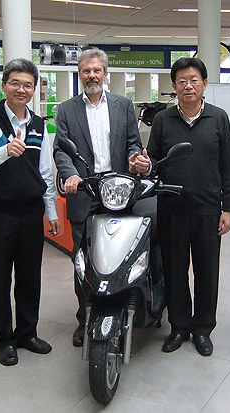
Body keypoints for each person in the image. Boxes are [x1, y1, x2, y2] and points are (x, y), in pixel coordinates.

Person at [139, 57, 230, 357]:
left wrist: (228, 208)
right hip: (171, 209)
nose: (188, 86)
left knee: (207, 273)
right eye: (182, 81)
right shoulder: (163, 120)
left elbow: (228, 166)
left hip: (208, 211)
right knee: (175, 271)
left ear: (204, 84)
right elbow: (154, 161)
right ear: (174, 86)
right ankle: (179, 327)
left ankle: (203, 329)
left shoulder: (219, 118)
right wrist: (144, 166)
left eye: (194, 80)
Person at [53, 48, 148, 348]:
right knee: (83, 262)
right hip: (84, 192)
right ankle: (85, 319)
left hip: (119, 192)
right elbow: (61, 149)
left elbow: (133, 143)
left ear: (106, 74)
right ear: (79, 74)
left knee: (120, 256)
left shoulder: (124, 105)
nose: (91, 76)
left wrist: (134, 158)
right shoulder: (66, 109)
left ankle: (119, 314)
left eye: (97, 70)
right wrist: (70, 174)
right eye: (86, 71)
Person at [0, 58, 60, 366]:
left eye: (28, 85)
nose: (22, 90)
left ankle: (27, 333)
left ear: (34, 89)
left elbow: (45, 171)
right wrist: (4, 152)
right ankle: (5, 340)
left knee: (30, 277)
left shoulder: (38, 125)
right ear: (4, 85)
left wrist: (51, 212)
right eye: (16, 83)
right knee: (1, 278)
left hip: (31, 213)